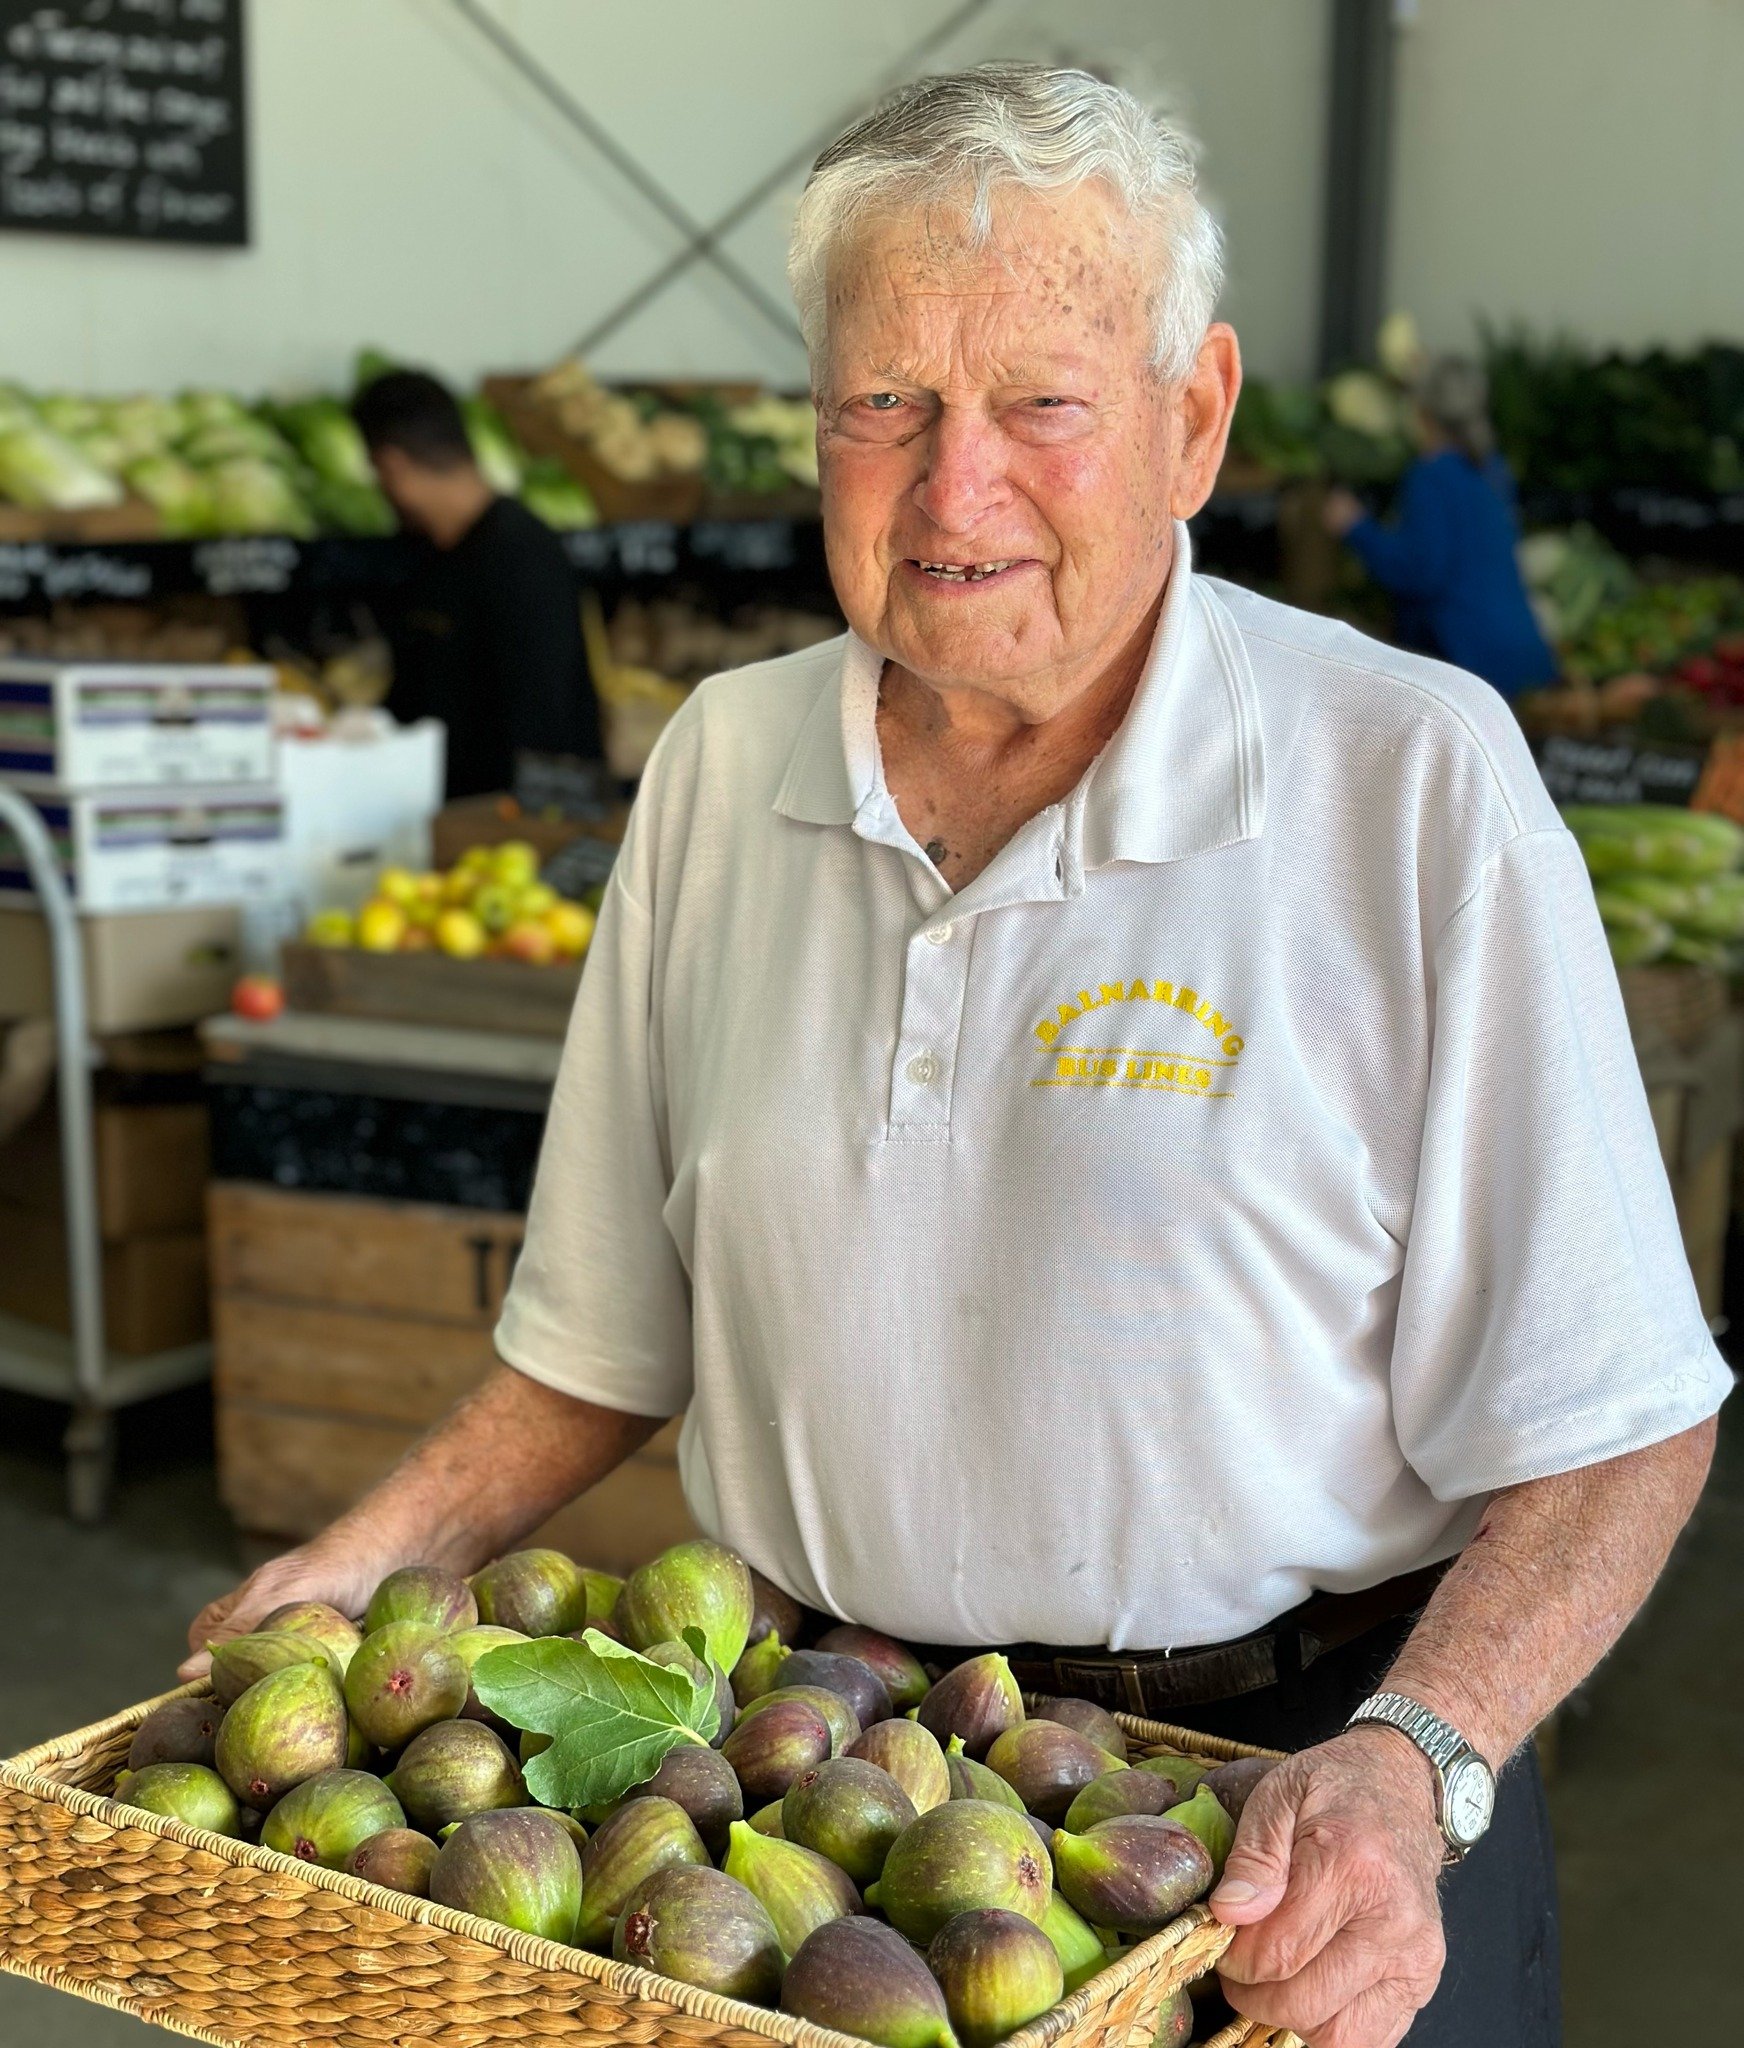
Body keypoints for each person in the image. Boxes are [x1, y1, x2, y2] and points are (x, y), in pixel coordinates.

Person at [187, 67, 1724, 2048]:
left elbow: (1617, 1423)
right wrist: (368, 1551)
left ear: (1193, 419)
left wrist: (1410, 1760)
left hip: (1278, 1836)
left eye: (1041, 405)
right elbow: (600, 1332)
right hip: (809, 1818)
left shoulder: (1407, 783)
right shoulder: (720, 774)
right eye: (880, 406)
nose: (948, 486)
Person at [352, 369, 604, 799]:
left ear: (392, 466)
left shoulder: (521, 556)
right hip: (452, 819)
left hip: (520, 826)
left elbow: (545, 722)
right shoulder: (432, 554)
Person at [1324, 356, 1558, 697]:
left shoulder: (1432, 476)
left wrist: (1355, 527)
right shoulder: (1493, 468)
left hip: (1473, 665)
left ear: (1422, 413)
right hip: (1526, 655)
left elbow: (1418, 573)